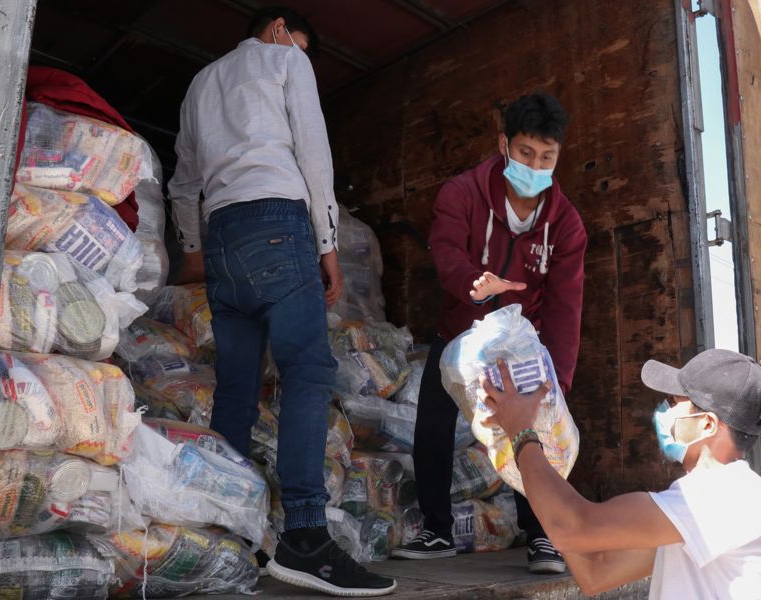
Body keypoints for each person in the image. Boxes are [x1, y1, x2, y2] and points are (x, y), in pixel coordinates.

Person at [167, 6, 396, 596]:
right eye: (295, 43)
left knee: (237, 387)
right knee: (307, 371)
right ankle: (305, 538)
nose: (300, 53)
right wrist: (326, 244)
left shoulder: (200, 83)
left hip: (221, 236)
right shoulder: (284, 59)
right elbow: (314, 155)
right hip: (276, 219)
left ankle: (227, 531)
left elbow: (184, 179)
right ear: (274, 28)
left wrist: (193, 246)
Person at [393, 93, 587, 574]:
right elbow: (446, 253)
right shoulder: (461, 192)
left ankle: (543, 536)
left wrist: (557, 381)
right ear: (504, 145)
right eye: (525, 153)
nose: (535, 165)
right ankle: (436, 531)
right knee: (434, 426)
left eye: (547, 157)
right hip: (461, 331)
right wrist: (472, 284)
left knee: (535, 429)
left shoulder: (566, 224)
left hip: (525, 340)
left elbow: (567, 305)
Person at [478, 348, 761, 597]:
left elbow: (572, 529)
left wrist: (522, 432)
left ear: (708, 425)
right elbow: (596, 573)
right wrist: (545, 470)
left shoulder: (724, 495)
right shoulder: (700, 513)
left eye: (675, 403)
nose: (666, 411)